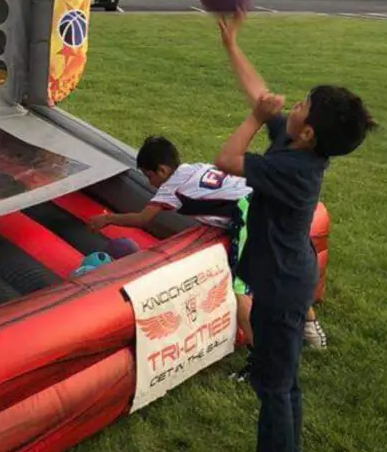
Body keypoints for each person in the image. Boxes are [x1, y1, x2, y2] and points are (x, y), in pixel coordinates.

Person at [215, 12, 376, 452]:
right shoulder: (302, 145)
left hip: (282, 291)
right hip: (286, 281)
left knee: (272, 389)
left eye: (302, 104)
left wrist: (257, 121)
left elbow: (228, 158)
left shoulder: (291, 169)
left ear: (305, 133)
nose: (294, 104)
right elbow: (261, 94)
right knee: (283, 383)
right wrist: (232, 42)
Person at [88, 136, 328, 352]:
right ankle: (311, 329)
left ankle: (262, 359)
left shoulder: (171, 188)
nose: (150, 184)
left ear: (162, 170)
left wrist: (107, 219)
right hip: (269, 199)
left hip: (251, 212)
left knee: (240, 290)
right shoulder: (196, 168)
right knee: (282, 270)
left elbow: (142, 219)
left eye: (149, 176)